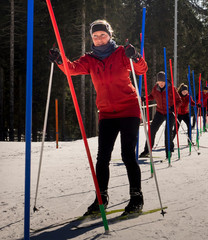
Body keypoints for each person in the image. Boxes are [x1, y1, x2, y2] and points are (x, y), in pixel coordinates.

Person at [49, 19, 148, 216]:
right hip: (106, 113)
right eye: (95, 36)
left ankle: (136, 197)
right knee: (102, 158)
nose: (99, 39)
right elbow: (72, 69)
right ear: (91, 39)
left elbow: (142, 70)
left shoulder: (121, 52)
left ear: (110, 35)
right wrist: (60, 60)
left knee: (128, 155)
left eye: (103, 35)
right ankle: (100, 198)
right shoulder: (90, 59)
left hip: (129, 110)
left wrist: (135, 56)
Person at [139, 71, 182, 159]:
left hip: (170, 112)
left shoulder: (172, 89)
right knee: (152, 130)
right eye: (159, 82)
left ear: (165, 81)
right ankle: (147, 150)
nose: (161, 84)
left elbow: (179, 101)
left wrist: (174, 106)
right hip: (159, 112)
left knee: (168, 132)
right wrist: (145, 98)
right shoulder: (156, 88)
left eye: (162, 82)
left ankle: (168, 151)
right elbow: (152, 96)